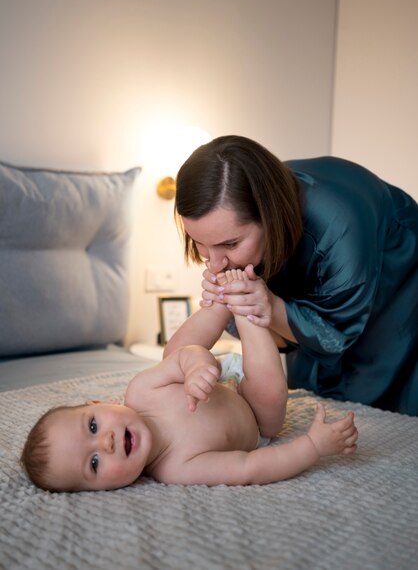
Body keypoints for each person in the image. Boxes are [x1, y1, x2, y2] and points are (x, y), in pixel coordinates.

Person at [20, 269, 357, 493]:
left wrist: (195, 366)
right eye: (94, 464)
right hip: (255, 415)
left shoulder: (141, 390)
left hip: (220, 375)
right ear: (101, 491)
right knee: (269, 395)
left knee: (174, 352)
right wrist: (312, 447)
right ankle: (248, 307)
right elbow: (249, 467)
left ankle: (224, 297)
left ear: (99, 404)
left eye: (92, 426)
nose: (106, 443)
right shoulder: (177, 469)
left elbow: (184, 358)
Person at [172, 135, 418, 416]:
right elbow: (272, 336)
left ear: (269, 217)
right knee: (310, 387)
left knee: (380, 386)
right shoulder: (244, 210)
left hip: (398, 275)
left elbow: (333, 336)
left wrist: (272, 307)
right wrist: (234, 307)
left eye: (229, 244)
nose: (215, 264)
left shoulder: (339, 227)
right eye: (201, 243)